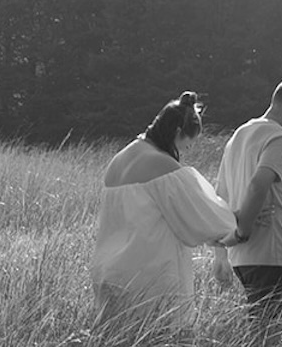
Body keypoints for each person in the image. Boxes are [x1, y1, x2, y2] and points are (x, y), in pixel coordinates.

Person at [92, 91, 250, 331]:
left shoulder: (119, 159)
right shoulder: (162, 165)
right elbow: (205, 217)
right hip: (149, 276)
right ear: (177, 133)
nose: (184, 151)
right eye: (186, 144)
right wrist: (239, 219)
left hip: (110, 273)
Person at [213, 77, 282, 340]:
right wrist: (242, 230)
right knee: (277, 343)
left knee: (258, 336)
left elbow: (219, 196)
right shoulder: (281, 138)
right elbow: (259, 184)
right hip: (271, 254)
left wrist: (221, 252)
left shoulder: (240, 135)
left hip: (242, 260)